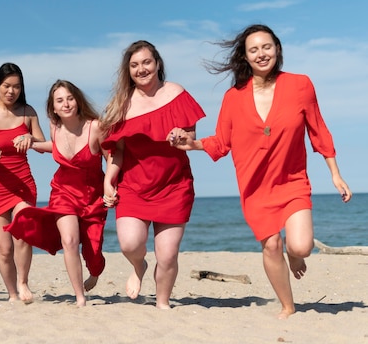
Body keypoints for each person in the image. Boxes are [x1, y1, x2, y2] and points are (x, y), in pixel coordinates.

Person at [167, 24, 352, 319]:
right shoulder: (233, 97)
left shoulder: (300, 85)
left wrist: (335, 173)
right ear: (246, 57)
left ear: (277, 48)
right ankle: (287, 305)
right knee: (271, 245)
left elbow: (318, 129)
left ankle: (294, 256)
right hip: (255, 187)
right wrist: (192, 143)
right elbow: (222, 141)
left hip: (291, 181)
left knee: (301, 247)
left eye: (267, 46)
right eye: (254, 49)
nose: (261, 53)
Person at [101, 40, 205, 309]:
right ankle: (139, 267)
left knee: (168, 255)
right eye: (134, 65)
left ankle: (162, 302)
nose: (141, 69)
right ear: (128, 70)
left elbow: (192, 137)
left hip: (174, 186)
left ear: (157, 63)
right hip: (134, 186)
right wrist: (108, 181)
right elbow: (118, 151)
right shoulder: (122, 105)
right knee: (129, 244)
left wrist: (181, 137)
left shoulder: (176, 93)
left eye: (146, 62)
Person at [5, 80, 108, 307]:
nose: (66, 104)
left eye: (70, 98)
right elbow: (56, 146)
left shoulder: (95, 126)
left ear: (78, 100)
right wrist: (31, 141)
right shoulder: (55, 127)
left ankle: (95, 269)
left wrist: (111, 184)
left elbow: (111, 156)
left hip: (93, 197)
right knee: (70, 240)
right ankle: (80, 297)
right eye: (60, 100)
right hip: (63, 193)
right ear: (53, 107)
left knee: (93, 251)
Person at [0, 62, 46, 303]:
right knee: (5, 249)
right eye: (6, 86)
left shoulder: (28, 111)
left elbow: (43, 145)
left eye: (16, 87)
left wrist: (30, 137)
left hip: (23, 183)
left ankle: (23, 282)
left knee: (22, 233)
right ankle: (12, 294)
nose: (11, 91)